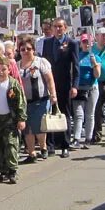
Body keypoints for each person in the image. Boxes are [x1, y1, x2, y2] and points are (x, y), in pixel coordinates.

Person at [16, 35, 57, 162]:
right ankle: (31, 153)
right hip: (24, 102)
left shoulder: (41, 62)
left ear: (33, 49)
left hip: (41, 100)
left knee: (39, 126)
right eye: (22, 49)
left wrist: (53, 94)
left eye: (28, 49)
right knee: (27, 128)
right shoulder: (17, 65)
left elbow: (49, 80)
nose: (25, 51)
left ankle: (43, 147)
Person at [0, 55, 26, 183]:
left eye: (3, 69)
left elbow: (21, 102)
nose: (1, 72)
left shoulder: (13, 84)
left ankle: (12, 170)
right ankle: (3, 170)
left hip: (9, 118)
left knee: (10, 144)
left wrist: (21, 119)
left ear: (8, 69)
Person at [40, 18, 74, 157]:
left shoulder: (72, 43)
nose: (58, 29)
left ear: (65, 28)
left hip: (65, 84)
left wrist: (75, 86)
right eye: (55, 27)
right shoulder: (47, 43)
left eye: (60, 27)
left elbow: (75, 66)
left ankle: (65, 145)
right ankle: (51, 144)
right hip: (49, 83)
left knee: (64, 113)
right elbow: (44, 63)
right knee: (50, 113)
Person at [69, 33, 100, 149]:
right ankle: (76, 138)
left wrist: (95, 64)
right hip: (79, 88)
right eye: (84, 42)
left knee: (89, 114)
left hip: (92, 88)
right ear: (80, 43)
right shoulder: (77, 56)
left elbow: (97, 75)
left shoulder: (95, 56)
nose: (86, 44)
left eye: (88, 42)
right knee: (78, 114)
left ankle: (88, 138)